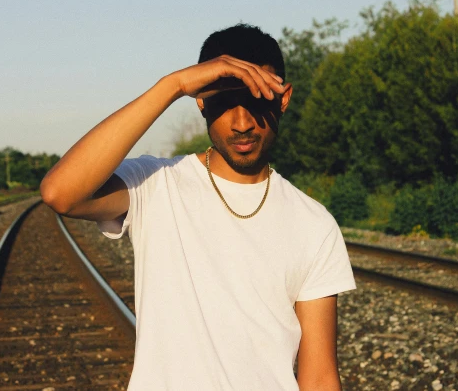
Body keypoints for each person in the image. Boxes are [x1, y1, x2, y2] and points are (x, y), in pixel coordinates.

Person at [41, 24, 356, 390]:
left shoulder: (314, 223)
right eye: (224, 101)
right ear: (201, 101)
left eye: (258, 100)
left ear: (283, 98)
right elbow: (60, 193)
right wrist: (172, 85)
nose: (242, 124)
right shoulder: (156, 184)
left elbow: (319, 377)